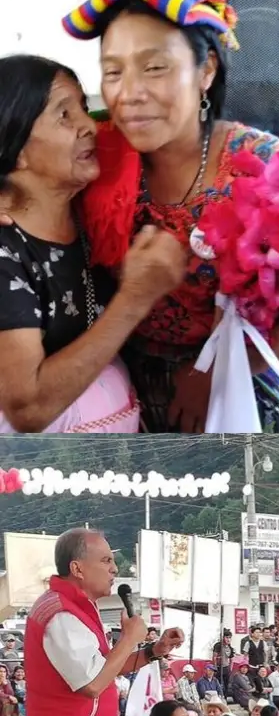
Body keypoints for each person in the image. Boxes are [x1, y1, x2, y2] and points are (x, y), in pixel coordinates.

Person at [63, 0, 279, 432]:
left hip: (243, 391)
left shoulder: (259, 166)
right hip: (126, 398)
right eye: (113, 72)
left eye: (154, 67)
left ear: (206, 71)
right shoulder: (94, 161)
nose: (129, 94)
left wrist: (215, 372)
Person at [0, 54, 186, 432]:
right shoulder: (6, 251)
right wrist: (133, 300)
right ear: (17, 148)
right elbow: (29, 408)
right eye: (64, 115)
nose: (91, 126)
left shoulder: (96, 214)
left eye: (84, 108)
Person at [23, 528, 183, 716]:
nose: (114, 568)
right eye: (106, 560)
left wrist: (153, 651)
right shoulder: (62, 615)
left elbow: (104, 669)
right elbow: (92, 684)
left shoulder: (77, 608)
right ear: (77, 568)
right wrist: (128, 638)